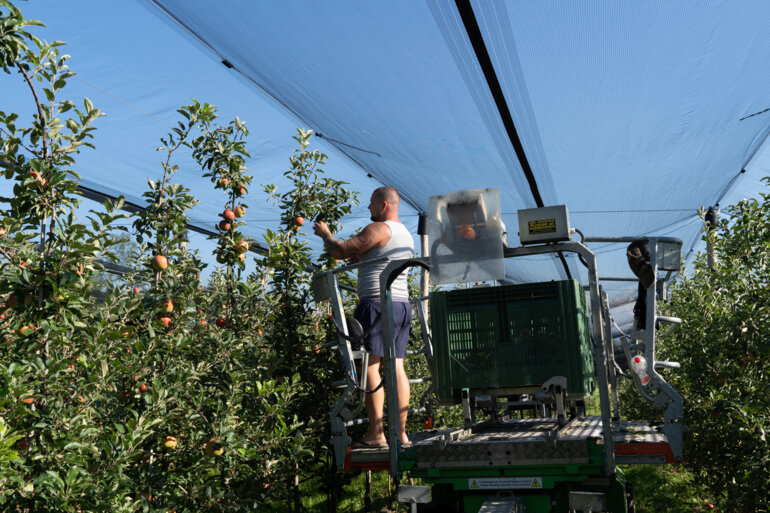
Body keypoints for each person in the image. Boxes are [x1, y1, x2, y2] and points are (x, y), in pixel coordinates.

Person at [313, 186, 414, 448]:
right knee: (397, 367)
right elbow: (375, 255)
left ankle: (377, 435)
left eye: (371, 203)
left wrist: (326, 235)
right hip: (401, 303)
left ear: (383, 205)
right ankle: (402, 434)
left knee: (370, 366)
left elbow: (339, 250)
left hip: (376, 304)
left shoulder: (378, 230)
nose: (368, 208)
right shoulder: (405, 235)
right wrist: (362, 257)